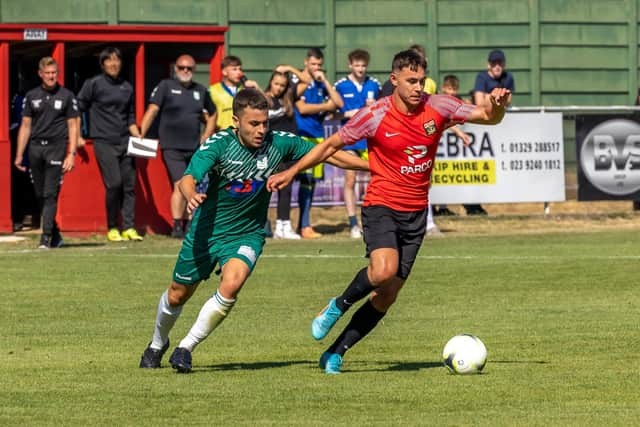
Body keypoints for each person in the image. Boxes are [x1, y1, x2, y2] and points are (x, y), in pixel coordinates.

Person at [267, 50, 510, 374]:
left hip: (415, 214)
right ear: (394, 80)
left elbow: (488, 117)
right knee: (382, 271)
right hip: (381, 204)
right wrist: (291, 171)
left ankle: (335, 353)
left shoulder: (438, 106)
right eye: (411, 81)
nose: (418, 87)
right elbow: (328, 147)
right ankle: (337, 305)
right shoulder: (375, 115)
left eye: (422, 80)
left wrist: (498, 106)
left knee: (387, 296)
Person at [138, 88, 368, 373]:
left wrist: (372, 167)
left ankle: (186, 347)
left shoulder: (279, 143)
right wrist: (190, 195)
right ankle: (157, 343)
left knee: (232, 283)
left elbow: (328, 153)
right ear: (236, 121)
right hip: (207, 231)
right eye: (253, 124)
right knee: (177, 295)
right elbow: (188, 178)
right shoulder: (218, 145)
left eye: (264, 123)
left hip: (247, 233)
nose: (261, 130)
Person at [139, 54, 217, 238]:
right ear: (176, 69)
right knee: (180, 184)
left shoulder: (200, 90)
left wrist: (207, 134)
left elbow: (212, 114)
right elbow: (152, 110)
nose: (185, 71)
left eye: (189, 68)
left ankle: (190, 224)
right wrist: (141, 133)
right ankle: (176, 225)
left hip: (194, 147)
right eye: (182, 67)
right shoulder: (166, 86)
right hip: (171, 146)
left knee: (194, 185)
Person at [77, 47, 143, 241]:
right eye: (109, 60)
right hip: (103, 141)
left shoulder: (127, 87)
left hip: (126, 141)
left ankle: (129, 228)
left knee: (130, 186)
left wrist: (137, 135)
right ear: (103, 63)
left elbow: (130, 116)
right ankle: (112, 227)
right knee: (114, 184)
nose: (114, 64)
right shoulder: (94, 84)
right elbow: (78, 107)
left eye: (117, 60)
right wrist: (79, 135)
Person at [13, 56, 79, 248]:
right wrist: (19, 155)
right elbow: (25, 126)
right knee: (40, 194)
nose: (51, 77)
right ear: (40, 74)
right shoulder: (32, 96)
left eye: (54, 73)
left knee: (50, 194)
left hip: (56, 147)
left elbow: (73, 125)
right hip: (35, 149)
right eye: (48, 73)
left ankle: (46, 237)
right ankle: (56, 234)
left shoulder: (66, 96)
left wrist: (71, 153)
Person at [292, 47, 344, 239]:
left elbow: (338, 104)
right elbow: (303, 109)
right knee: (303, 181)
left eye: (319, 65)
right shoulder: (300, 83)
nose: (316, 68)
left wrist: (326, 82)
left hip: (318, 137)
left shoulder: (321, 84)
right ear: (306, 62)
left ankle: (304, 225)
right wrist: (325, 106)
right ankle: (301, 225)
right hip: (302, 136)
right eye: (313, 64)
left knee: (311, 183)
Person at [334, 49, 380, 238]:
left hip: (370, 139)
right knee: (350, 180)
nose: (360, 69)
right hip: (351, 140)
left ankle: (373, 220)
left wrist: (374, 107)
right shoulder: (341, 85)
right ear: (350, 65)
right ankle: (353, 223)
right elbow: (333, 112)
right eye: (357, 65)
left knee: (375, 181)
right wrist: (349, 114)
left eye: (363, 65)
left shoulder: (374, 84)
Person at [464, 49, 515, 216]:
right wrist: (494, 98)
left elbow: (507, 101)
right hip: (479, 127)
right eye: (494, 63)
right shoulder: (482, 77)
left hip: (497, 128)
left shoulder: (508, 78)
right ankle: (471, 204)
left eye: (500, 63)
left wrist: (493, 99)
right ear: (489, 65)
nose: (497, 66)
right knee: (473, 168)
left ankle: (476, 204)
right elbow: (479, 103)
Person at [265, 66, 310, 239]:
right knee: (270, 188)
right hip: (272, 150)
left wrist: (289, 68)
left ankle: (283, 226)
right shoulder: (263, 99)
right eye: (276, 84)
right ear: (271, 82)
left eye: (283, 85)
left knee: (287, 188)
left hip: (290, 150)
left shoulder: (288, 97)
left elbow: (307, 80)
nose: (279, 88)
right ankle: (271, 226)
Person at [433, 74, 471, 218]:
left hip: (438, 142)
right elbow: (445, 121)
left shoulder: (454, 102)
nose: (452, 92)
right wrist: (460, 133)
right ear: (443, 88)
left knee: (438, 175)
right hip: (430, 141)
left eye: (454, 89)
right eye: (449, 88)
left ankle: (441, 207)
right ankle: (431, 208)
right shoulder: (439, 101)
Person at [209, 55, 260, 131]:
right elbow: (205, 114)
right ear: (224, 72)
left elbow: (267, 105)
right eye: (234, 69)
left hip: (242, 133)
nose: (239, 73)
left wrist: (257, 88)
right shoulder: (213, 90)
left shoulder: (245, 90)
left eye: (240, 69)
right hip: (222, 134)